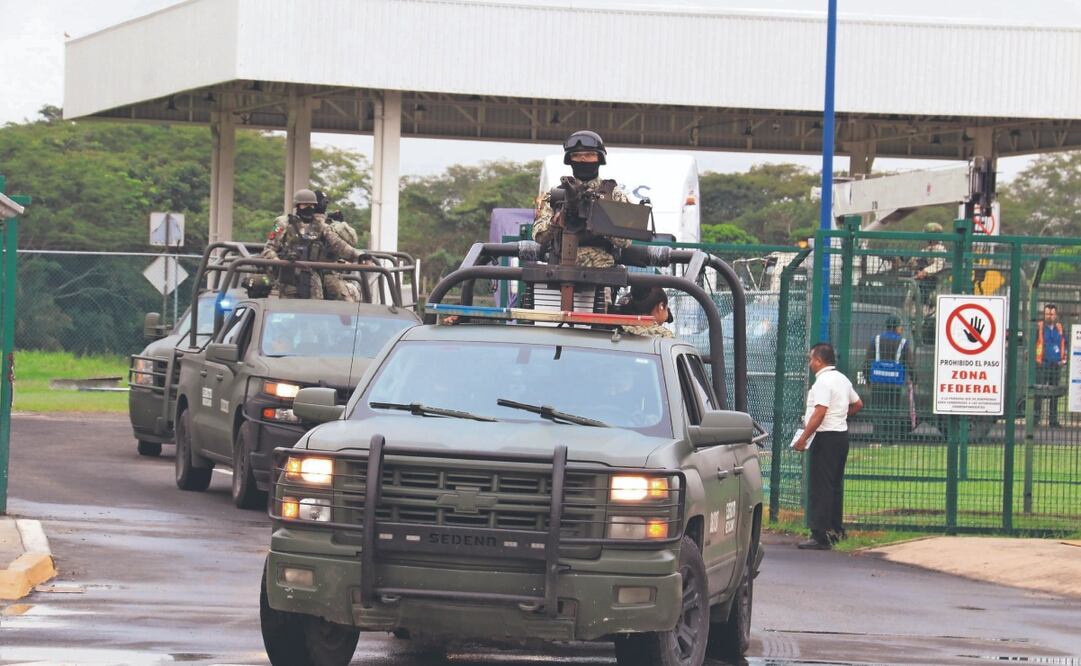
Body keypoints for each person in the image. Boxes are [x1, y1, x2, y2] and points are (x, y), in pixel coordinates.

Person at [792, 343, 863, 550]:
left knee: (821, 486)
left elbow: (820, 412)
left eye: (811, 359)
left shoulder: (822, 382)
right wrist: (841, 415)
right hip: (841, 437)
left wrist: (804, 437)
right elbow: (858, 404)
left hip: (825, 438)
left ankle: (820, 535)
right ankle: (835, 530)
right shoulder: (842, 379)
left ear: (819, 361)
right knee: (834, 485)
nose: (809, 363)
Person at [531, 130, 632, 269]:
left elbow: (626, 241)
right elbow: (539, 236)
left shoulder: (613, 194)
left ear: (599, 158)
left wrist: (598, 220)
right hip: (560, 271)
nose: (583, 160)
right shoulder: (557, 194)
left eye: (589, 155)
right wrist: (555, 222)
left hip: (603, 275)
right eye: (576, 156)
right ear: (569, 160)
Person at [261, 189, 366, 300]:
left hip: (312, 277)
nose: (309, 208)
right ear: (298, 205)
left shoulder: (320, 225)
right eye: (305, 204)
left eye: (312, 205)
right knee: (290, 310)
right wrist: (282, 263)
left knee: (315, 309)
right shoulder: (283, 223)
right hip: (290, 276)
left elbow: (339, 245)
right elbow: (268, 249)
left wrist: (360, 256)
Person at [862, 315, 914, 441]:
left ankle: (877, 440)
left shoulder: (876, 340)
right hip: (894, 383)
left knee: (878, 412)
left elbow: (867, 361)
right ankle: (892, 440)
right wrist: (913, 379)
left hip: (878, 382)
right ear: (897, 327)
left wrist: (867, 378)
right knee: (893, 412)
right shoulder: (903, 342)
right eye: (900, 326)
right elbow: (910, 363)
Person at [1035, 303, 1067, 427]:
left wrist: (1063, 359)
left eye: (1052, 314)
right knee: (1039, 391)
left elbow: (1065, 342)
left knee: (1054, 393)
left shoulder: (1060, 328)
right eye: (1047, 313)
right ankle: (1036, 419)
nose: (1049, 316)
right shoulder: (1040, 327)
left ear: (1056, 315)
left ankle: (1053, 420)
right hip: (1043, 363)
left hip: (1056, 364)